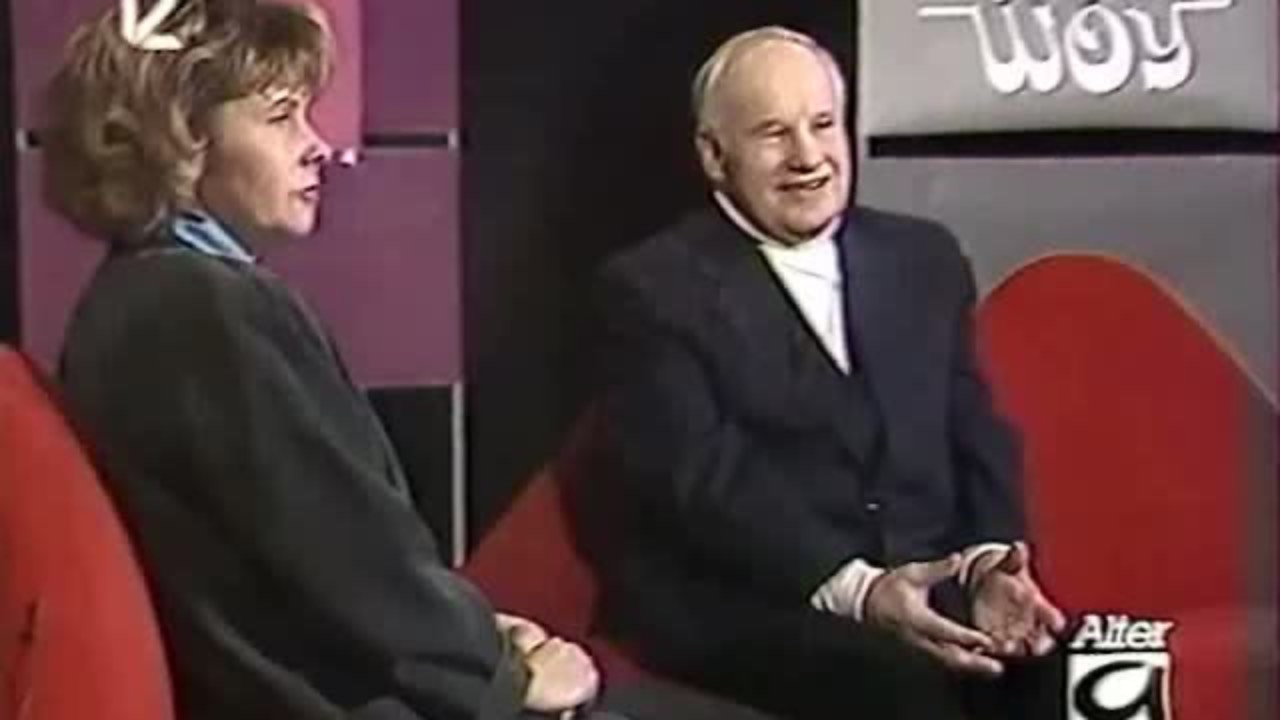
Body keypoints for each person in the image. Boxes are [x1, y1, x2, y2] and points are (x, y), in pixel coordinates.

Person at [48, 3, 769, 719]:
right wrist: (501, 675)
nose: (315, 146)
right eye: (280, 117)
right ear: (179, 141)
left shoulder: (140, 296)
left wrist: (480, 637)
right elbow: (345, 558)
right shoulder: (205, 310)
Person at [591, 26, 1067, 720]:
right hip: (758, 605)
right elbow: (703, 481)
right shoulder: (650, 289)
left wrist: (991, 564)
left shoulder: (922, 258)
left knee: (1075, 676)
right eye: (773, 134)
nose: (808, 157)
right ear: (714, 155)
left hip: (926, 585)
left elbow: (974, 428)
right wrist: (861, 592)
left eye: (821, 125)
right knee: (904, 688)